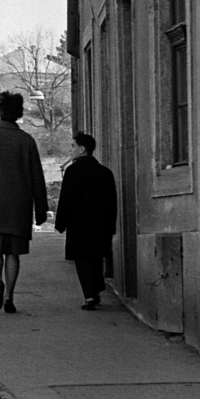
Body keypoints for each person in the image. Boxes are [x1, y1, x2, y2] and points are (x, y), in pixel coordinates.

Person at [0, 89, 49, 314]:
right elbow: (37, 178)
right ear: (18, 113)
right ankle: (9, 297)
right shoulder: (27, 141)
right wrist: (41, 209)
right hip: (20, 206)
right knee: (13, 252)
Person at [54, 130, 119, 309]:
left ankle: (89, 296)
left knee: (82, 259)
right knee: (96, 257)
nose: (70, 150)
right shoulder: (105, 172)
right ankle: (97, 289)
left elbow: (66, 198)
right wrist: (111, 225)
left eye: (72, 146)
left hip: (79, 224)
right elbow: (112, 201)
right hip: (101, 223)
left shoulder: (73, 171)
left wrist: (60, 223)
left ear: (82, 149)